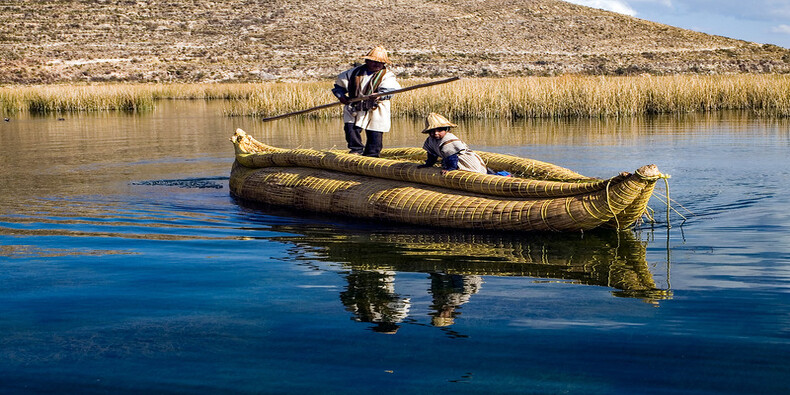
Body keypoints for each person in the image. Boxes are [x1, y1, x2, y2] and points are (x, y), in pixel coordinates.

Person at [331, 46, 400, 157]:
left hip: (376, 108)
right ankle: (356, 150)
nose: (377, 64)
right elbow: (338, 87)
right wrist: (341, 96)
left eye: (380, 62)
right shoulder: (353, 73)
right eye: (374, 61)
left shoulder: (387, 75)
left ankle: (372, 155)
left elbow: (390, 90)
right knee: (351, 128)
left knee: (375, 131)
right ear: (367, 61)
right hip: (355, 106)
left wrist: (380, 96)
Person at [417, 112, 492, 175]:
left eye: (439, 130)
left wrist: (450, 169)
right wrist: (428, 164)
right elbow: (431, 155)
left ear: (446, 129)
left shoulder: (448, 139)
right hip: (452, 160)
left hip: (466, 162)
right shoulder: (430, 140)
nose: (436, 133)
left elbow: (452, 157)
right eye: (432, 131)